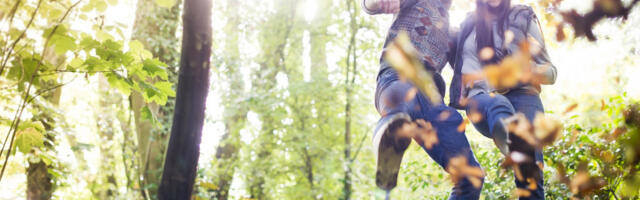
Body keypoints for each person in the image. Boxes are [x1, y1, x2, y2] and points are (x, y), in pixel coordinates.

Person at [363, 0, 483, 198]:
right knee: (399, 111)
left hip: (432, 101)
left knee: (471, 176)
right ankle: (389, 142)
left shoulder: (454, 32)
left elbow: (472, 64)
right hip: (399, 75)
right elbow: (370, 5)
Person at [448, 0, 558, 198]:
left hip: (523, 97)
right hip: (481, 100)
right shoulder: (466, 25)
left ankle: (516, 144)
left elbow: (550, 72)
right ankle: (509, 133)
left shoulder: (523, 17)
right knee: (496, 104)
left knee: (529, 176)